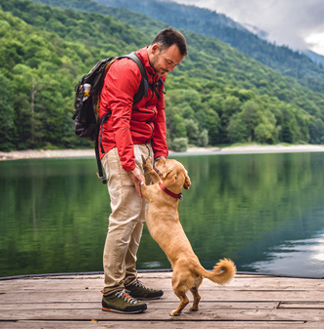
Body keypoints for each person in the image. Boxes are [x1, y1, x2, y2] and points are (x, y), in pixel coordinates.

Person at [98, 28, 187, 314]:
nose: (170, 69)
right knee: (124, 217)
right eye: (169, 62)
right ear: (154, 49)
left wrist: (160, 155)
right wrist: (128, 163)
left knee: (138, 218)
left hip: (144, 148)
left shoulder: (156, 77)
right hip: (118, 146)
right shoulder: (126, 69)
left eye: (175, 65)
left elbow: (158, 118)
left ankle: (129, 280)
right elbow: (119, 119)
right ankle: (112, 292)